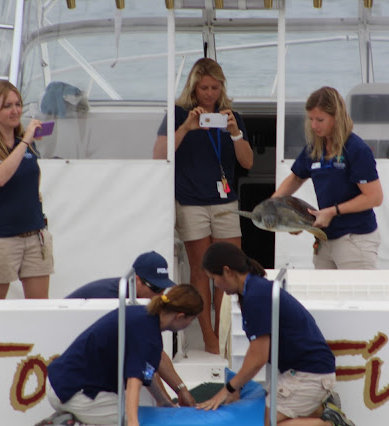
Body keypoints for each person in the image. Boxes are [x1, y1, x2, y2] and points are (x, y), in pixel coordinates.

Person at [153, 58, 253, 354]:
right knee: (199, 270)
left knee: (230, 269)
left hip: (225, 201)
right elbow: (159, 156)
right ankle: (209, 337)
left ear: (222, 87)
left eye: (215, 87)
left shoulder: (230, 115)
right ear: (193, 87)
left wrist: (234, 132)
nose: (209, 93)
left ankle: (224, 334)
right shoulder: (178, 113)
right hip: (191, 202)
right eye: (204, 87)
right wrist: (185, 127)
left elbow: (247, 162)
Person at [197, 242, 355, 426]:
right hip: (305, 369)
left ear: (227, 271)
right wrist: (236, 387)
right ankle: (324, 409)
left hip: (309, 374)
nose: (216, 285)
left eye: (214, 278)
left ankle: (331, 424)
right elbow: (256, 350)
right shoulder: (254, 288)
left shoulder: (256, 296)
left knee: (269, 424)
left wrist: (228, 388)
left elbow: (258, 357)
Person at [46, 284, 204, 426]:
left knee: (132, 414)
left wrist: (164, 402)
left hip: (64, 380)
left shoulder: (144, 316)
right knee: (136, 419)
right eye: (190, 321)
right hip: (72, 391)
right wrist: (133, 422)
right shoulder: (146, 335)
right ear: (180, 316)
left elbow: (146, 371)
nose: (187, 326)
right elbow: (133, 381)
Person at [65, 251, 197, 407]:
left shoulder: (136, 304)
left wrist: (180, 391)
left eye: (163, 289)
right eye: (155, 288)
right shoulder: (116, 302)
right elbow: (143, 361)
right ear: (137, 281)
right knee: (128, 415)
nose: (159, 295)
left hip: (82, 367)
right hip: (72, 367)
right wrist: (165, 402)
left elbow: (154, 353)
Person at [272, 86, 382, 270]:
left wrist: (331, 212)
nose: (314, 126)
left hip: (354, 239)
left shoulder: (356, 149)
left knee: (355, 297)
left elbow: (374, 197)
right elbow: (296, 178)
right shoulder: (315, 148)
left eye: (320, 120)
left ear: (336, 118)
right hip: (324, 238)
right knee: (324, 296)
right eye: (311, 119)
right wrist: (273, 203)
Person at [0, 81, 53, 299]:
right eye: (7, 106)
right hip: (0, 240)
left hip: (34, 237)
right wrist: (25, 141)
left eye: (18, 104)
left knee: (39, 309)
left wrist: (25, 143)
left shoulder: (26, 145)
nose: (15, 110)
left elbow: (32, 180)